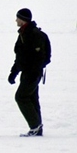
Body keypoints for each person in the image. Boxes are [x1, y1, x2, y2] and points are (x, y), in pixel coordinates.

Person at [8, 8, 51, 137]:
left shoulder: (33, 34)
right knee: (32, 98)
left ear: (23, 19)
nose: (16, 20)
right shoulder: (23, 33)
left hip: (32, 73)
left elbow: (43, 57)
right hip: (29, 73)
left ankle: (35, 127)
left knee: (21, 97)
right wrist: (14, 72)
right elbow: (20, 57)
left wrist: (34, 69)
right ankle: (37, 128)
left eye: (18, 18)